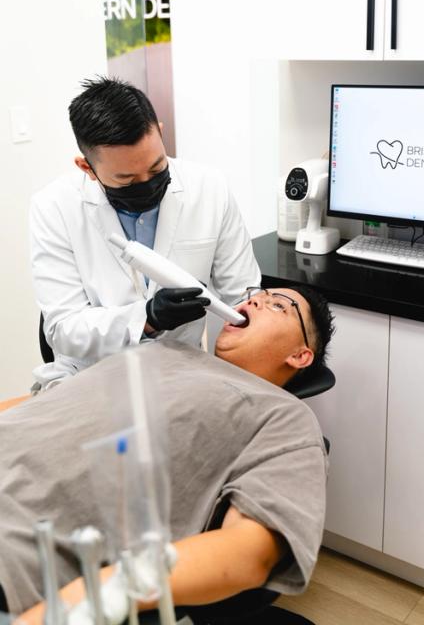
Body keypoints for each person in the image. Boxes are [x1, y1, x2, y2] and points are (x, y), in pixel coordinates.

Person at [0, 285, 334, 620]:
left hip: (15, 545)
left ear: (300, 355)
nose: (256, 300)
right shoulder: (160, 350)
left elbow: (253, 550)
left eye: (279, 305)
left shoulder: (284, 416)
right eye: (256, 294)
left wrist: (91, 599)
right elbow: (45, 403)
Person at [30, 77, 260, 390]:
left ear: (161, 133)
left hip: (185, 377)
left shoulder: (210, 188)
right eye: (126, 180)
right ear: (86, 168)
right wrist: (147, 317)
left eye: (156, 168)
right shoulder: (53, 207)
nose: (147, 184)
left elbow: (243, 295)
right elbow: (62, 328)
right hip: (93, 381)